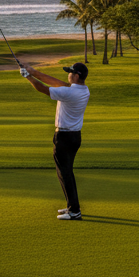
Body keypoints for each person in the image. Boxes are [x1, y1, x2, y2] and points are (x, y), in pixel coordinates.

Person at [22, 61, 90, 220]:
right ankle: (72, 207)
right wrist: (33, 71)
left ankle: (74, 211)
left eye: (70, 72)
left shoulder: (70, 93)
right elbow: (58, 83)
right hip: (74, 137)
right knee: (67, 173)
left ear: (76, 75)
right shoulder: (83, 90)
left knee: (65, 173)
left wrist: (28, 77)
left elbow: (43, 89)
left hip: (65, 138)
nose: (68, 74)